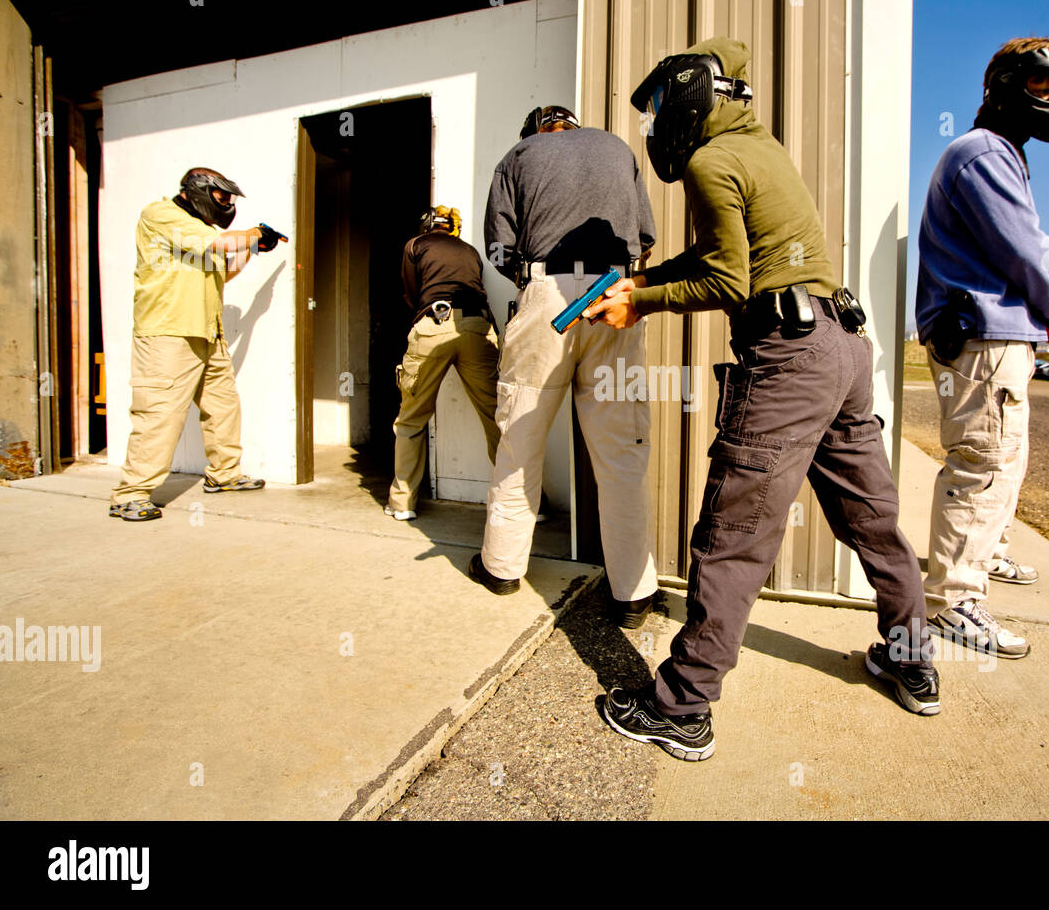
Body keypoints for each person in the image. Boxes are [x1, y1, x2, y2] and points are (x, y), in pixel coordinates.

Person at [587, 38, 939, 763]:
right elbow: (730, 258)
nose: (654, 125)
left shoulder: (712, 163)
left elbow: (728, 284)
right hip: (844, 344)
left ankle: (681, 706)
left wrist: (641, 305)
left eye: (657, 107)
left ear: (690, 93)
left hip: (789, 359)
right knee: (873, 521)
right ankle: (911, 659)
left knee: (735, 531)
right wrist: (643, 285)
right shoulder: (759, 149)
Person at [914, 34, 1049, 657]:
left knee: (1003, 462)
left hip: (995, 332)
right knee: (984, 463)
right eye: (1043, 86)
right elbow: (1023, 243)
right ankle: (952, 603)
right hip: (981, 337)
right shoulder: (982, 153)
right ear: (1004, 86)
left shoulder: (999, 153)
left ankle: (982, 559)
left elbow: (1021, 247)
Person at [468, 105, 660, 630]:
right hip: (612, 292)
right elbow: (646, 237)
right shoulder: (618, 149)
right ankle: (633, 596)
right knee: (621, 450)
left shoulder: (517, 156)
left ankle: (502, 568)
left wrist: (535, 287)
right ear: (574, 126)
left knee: (520, 439)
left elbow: (499, 247)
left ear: (534, 130)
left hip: (547, 292)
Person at [109, 167, 282, 521]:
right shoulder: (161, 215)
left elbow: (224, 271)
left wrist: (252, 246)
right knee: (159, 413)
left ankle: (224, 475)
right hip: (167, 333)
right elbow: (219, 243)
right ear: (200, 192)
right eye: (222, 198)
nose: (227, 205)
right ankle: (130, 494)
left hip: (207, 332)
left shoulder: (201, 232)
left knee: (222, 407)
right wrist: (251, 233)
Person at [385, 205, 502, 521]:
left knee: (411, 418)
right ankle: (529, 502)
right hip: (479, 327)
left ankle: (402, 503)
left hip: (434, 324)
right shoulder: (471, 251)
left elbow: (411, 293)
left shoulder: (415, 245)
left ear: (427, 226)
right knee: (497, 416)